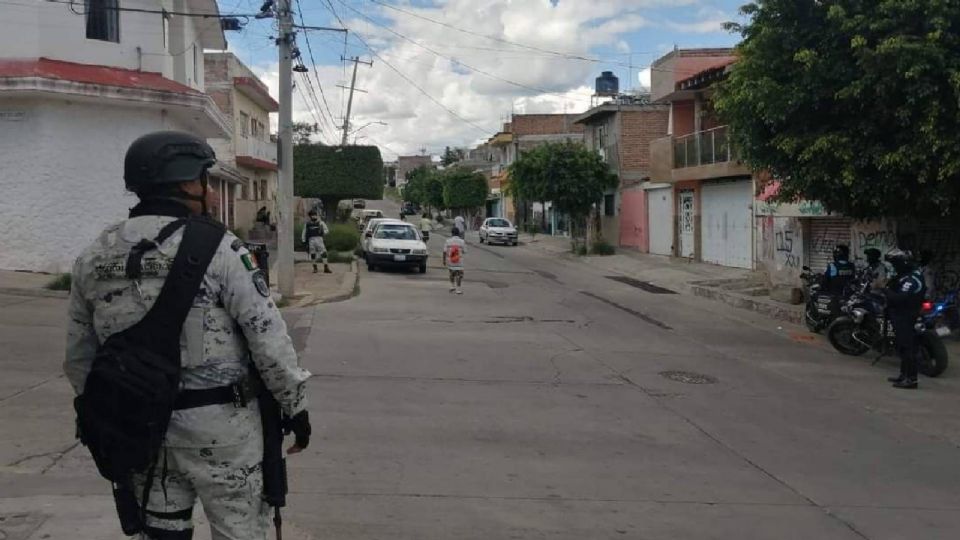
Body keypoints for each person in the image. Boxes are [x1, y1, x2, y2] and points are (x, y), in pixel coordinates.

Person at [64, 131, 312, 539]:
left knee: (161, 532)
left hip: (143, 431)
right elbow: (268, 340)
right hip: (223, 433)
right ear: (184, 184)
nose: (211, 194)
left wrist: (116, 411)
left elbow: (79, 358)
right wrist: (295, 407)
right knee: (240, 530)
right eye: (205, 181)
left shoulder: (94, 254)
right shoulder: (222, 248)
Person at [883, 248, 926, 389]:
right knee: (901, 347)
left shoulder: (912, 279)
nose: (894, 267)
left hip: (906, 316)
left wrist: (885, 289)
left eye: (895, 264)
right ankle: (903, 374)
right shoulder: (905, 275)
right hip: (900, 315)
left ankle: (912, 379)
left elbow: (899, 298)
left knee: (908, 348)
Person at [444, 227, 466, 294]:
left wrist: (444, 260)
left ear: (452, 233)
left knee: (451, 274)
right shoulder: (462, 241)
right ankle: (458, 290)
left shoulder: (448, 241)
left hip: (451, 261)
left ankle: (452, 286)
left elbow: (444, 251)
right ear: (458, 233)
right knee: (459, 275)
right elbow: (465, 251)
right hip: (459, 262)